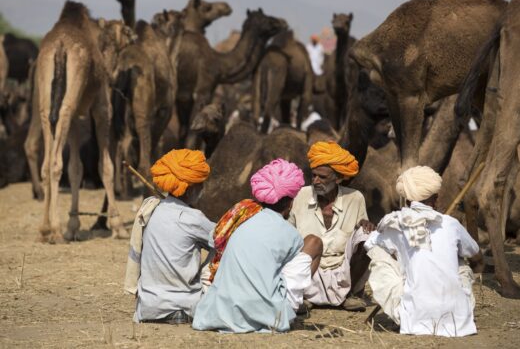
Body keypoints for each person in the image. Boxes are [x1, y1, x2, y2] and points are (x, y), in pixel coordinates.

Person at [192, 159, 323, 333]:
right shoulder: (290, 234)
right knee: (315, 243)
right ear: (290, 202)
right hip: (267, 317)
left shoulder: (241, 218)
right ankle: (291, 309)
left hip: (218, 313)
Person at [364, 166, 483, 337]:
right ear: (436, 198)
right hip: (458, 323)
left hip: (413, 321)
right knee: (460, 262)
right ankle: (458, 308)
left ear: (406, 201)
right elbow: (473, 250)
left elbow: (370, 243)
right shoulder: (450, 223)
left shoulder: (396, 223)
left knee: (377, 252)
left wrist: (399, 255)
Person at [125, 148, 215, 324]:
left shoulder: (151, 210)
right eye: (200, 185)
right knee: (225, 245)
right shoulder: (193, 218)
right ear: (190, 190)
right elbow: (225, 235)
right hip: (183, 309)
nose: (203, 189)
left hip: (147, 309)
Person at [289, 141, 374, 312]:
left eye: (323, 177)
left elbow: (362, 233)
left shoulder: (355, 198)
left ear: (338, 178)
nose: (316, 181)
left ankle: (350, 294)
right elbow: (287, 234)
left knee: (368, 238)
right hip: (309, 267)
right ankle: (302, 295)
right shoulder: (300, 196)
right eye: (313, 176)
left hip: (343, 268)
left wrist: (366, 226)